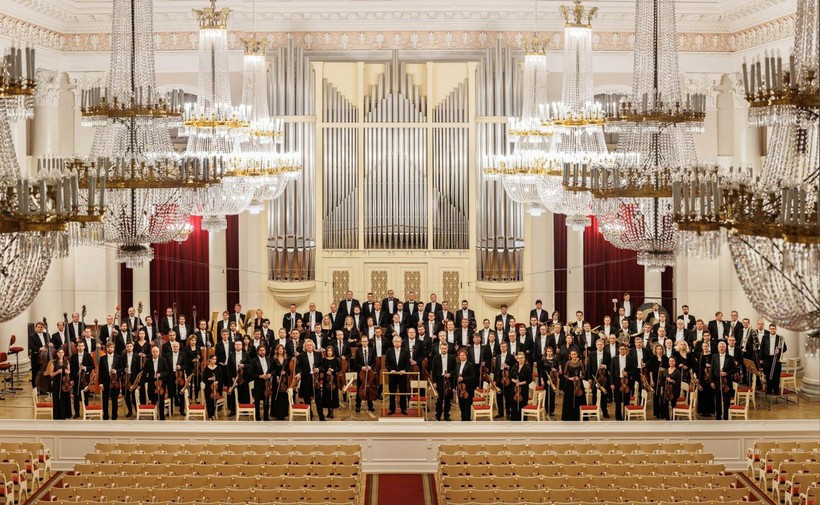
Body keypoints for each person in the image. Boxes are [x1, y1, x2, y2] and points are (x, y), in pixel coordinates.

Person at [295, 340, 325, 421]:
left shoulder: (318, 354)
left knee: (318, 398)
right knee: (307, 398)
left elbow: (322, 365)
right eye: (307, 345)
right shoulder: (301, 355)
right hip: (306, 378)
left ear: (313, 346)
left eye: (310, 345)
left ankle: (321, 416)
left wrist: (318, 369)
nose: (309, 346)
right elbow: (298, 367)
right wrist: (298, 373)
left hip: (315, 378)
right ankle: (309, 416)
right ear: (305, 347)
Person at [142, 345, 169, 420]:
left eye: (156, 351)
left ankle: (162, 416)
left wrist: (160, 374)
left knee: (161, 401)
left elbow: (167, 371)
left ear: (159, 352)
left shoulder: (163, 360)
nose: (155, 353)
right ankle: (154, 416)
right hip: (151, 384)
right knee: (153, 400)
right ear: (151, 352)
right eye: (153, 352)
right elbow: (144, 373)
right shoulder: (148, 361)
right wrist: (140, 384)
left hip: (160, 384)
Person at [711, 341, 736, 421]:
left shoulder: (730, 357)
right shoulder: (714, 357)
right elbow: (712, 370)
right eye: (720, 347)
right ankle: (718, 417)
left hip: (727, 382)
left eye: (723, 347)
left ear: (725, 348)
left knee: (726, 400)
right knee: (718, 399)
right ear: (718, 348)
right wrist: (712, 381)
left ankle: (726, 417)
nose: (721, 348)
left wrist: (726, 373)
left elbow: (734, 370)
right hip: (717, 381)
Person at [98, 341, 123, 420]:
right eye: (108, 347)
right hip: (105, 381)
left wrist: (116, 371)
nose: (110, 348)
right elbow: (100, 372)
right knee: (105, 400)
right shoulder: (102, 358)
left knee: (114, 400)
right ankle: (105, 416)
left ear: (114, 348)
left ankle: (114, 416)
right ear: (106, 348)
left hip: (115, 382)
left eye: (111, 347)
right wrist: (100, 383)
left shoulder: (118, 357)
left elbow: (122, 369)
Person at [610, 343, 635, 421]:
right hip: (617, 380)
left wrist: (627, 373)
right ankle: (618, 417)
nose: (622, 350)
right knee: (617, 400)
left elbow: (634, 371)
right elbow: (612, 372)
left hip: (627, 381)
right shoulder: (614, 359)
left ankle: (626, 416)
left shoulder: (630, 359)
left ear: (626, 350)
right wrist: (612, 383)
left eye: (623, 349)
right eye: (621, 349)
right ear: (618, 350)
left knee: (626, 400)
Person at [385, 336, 410, 415]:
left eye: (398, 341)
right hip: (392, 375)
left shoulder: (405, 351)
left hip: (402, 376)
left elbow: (408, 364)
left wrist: (404, 370)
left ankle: (403, 409)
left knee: (403, 392)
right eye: (395, 341)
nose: (397, 343)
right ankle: (392, 409)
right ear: (393, 343)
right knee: (392, 393)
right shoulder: (389, 351)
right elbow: (387, 363)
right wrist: (390, 370)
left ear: (401, 343)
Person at [431, 342, 455, 421]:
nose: (444, 350)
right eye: (442, 348)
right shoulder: (436, 357)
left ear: (447, 349)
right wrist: (434, 382)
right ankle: (438, 415)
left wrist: (450, 374)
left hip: (448, 381)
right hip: (439, 380)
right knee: (439, 399)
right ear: (440, 349)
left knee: (448, 399)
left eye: (445, 348)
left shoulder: (452, 357)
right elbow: (433, 371)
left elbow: (455, 370)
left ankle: (446, 415)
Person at [70, 340, 94, 418]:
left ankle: (86, 412)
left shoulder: (88, 355)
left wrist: (85, 368)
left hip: (85, 379)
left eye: (82, 346)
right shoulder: (73, 357)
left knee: (86, 396)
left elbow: (92, 366)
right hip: (76, 378)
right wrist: (72, 380)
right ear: (77, 347)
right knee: (76, 396)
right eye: (79, 346)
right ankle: (77, 413)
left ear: (84, 347)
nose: (80, 347)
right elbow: (72, 369)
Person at [45, 348, 71, 420]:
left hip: (65, 383)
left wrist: (67, 372)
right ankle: (57, 416)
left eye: (62, 352)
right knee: (57, 399)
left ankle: (64, 415)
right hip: (57, 383)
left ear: (64, 353)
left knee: (64, 399)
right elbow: (51, 374)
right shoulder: (53, 362)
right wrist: (57, 372)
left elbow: (69, 371)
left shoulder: (67, 362)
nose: (61, 354)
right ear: (57, 353)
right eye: (59, 352)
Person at [248, 345, 273, 421]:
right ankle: (257, 417)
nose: (262, 352)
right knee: (257, 401)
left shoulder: (269, 359)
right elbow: (250, 374)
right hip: (258, 383)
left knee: (266, 400)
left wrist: (270, 374)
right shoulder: (253, 361)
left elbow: (272, 370)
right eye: (261, 350)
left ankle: (266, 417)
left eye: (263, 350)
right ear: (258, 352)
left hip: (266, 383)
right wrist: (259, 376)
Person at [587, 338, 610, 418]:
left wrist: (605, 366)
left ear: (603, 345)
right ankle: (594, 411)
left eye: (601, 344)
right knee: (594, 395)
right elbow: (589, 367)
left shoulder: (607, 354)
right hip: (594, 377)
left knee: (604, 395)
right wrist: (589, 378)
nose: (600, 346)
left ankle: (605, 412)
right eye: (598, 344)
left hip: (604, 378)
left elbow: (610, 365)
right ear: (596, 346)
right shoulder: (592, 354)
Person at [760, 324, 787, 394]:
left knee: (776, 375)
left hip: (776, 359)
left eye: (774, 329)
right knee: (768, 375)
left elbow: (785, 348)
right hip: (767, 359)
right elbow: (762, 348)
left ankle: (776, 390)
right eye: (771, 329)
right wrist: (761, 358)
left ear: (776, 329)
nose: (772, 330)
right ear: (769, 329)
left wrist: (779, 351)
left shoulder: (780, 338)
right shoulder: (765, 337)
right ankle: (769, 389)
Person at [354, 335, 377, 413]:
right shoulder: (358, 351)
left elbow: (374, 362)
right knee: (360, 388)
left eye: (365, 341)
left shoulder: (372, 350)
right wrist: (362, 367)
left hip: (369, 373)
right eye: (363, 341)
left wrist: (370, 367)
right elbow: (355, 362)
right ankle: (358, 405)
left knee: (369, 388)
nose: (364, 343)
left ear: (367, 342)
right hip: (361, 373)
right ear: (361, 342)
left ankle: (370, 405)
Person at [165, 340, 189, 417]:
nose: (175, 347)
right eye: (174, 346)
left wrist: (181, 367)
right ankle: (171, 410)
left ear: (179, 347)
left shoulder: (183, 354)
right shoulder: (167, 355)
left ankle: (182, 410)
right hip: (171, 376)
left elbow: (186, 366)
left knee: (181, 393)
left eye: (177, 346)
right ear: (172, 347)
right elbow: (166, 366)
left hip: (180, 376)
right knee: (171, 394)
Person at [227, 340, 250, 417]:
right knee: (232, 394)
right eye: (236, 344)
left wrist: (244, 366)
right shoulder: (231, 355)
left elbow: (250, 365)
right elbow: (229, 368)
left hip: (243, 378)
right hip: (234, 377)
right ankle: (233, 410)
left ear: (242, 346)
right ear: (234, 346)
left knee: (244, 393)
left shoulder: (246, 354)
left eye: (239, 344)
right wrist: (232, 377)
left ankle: (244, 410)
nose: (238, 346)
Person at [561, 349, 585, 421]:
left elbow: (584, 374)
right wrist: (569, 378)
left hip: (578, 383)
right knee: (569, 399)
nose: (573, 356)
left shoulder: (580, 363)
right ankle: (569, 416)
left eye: (575, 354)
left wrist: (579, 377)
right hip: (570, 383)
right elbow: (564, 374)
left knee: (579, 399)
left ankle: (578, 416)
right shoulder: (568, 363)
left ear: (577, 355)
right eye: (572, 354)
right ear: (570, 355)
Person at [494, 341, 515, 419]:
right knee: (499, 395)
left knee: (508, 396)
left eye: (504, 346)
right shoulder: (498, 356)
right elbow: (496, 368)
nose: (502, 348)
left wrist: (508, 366)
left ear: (506, 347)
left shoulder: (511, 356)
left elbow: (514, 367)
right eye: (501, 346)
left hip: (507, 378)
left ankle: (508, 413)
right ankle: (500, 412)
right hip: (499, 378)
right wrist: (495, 380)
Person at [270, 344, 291, 420]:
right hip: (277, 379)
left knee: (283, 396)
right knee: (277, 396)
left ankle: (283, 414)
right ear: (277, 350)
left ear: (283, 350)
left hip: (284, 380)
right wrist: (277, 376)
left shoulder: (287, 358)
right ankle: (276, 414)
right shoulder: (273, 359)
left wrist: (285, 371)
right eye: (279, 349)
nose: (280, 350)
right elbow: (272, 369)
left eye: (281, 349)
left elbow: (289, 368)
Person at [537, 346, 559, 417]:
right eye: (548, 351)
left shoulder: (555, 360)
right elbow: (540, 371)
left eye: (550, 351)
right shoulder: (543, 360)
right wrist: (542, 380)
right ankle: (547, 411)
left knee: (553, 395)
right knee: (547, 395)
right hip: (546, 379)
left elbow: (558, 369)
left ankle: (552, 411)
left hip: (553, 379)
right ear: (545, 352)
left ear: (552, 352)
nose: (549, 353)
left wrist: (555, 370)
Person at [455, 348, 476, 421]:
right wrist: (455, 386)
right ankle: (463, 418)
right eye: (460, 355)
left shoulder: (470, 365)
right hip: (460, 388)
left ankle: (467, 419)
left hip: (467, 388)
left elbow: (473, 376)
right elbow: (456, 376)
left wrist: (463, 378)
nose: (462, 356)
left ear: (466, 356)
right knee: (461, 404)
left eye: (463, 355)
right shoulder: (458, 364)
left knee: (467, 405)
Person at [510, 352, 532, 421]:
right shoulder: (514, 367)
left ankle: (523, 419)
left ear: (524, 359)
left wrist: (521, 383)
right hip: (514, 389)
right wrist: (513, 380)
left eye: (521, 358)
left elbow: (530, 379)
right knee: (514, 403)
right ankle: (514, 419)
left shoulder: (527, 368)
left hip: (523, 389)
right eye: (518, 358)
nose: (520, 359)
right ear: (517, 359)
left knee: (523, 403)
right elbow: (510, 376)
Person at [649, 344, 669, 420]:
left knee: (663, 396)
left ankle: (663, 412)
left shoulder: (665, 358)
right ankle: (657, 413)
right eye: (658, 349)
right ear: (655, 350)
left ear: (662, 350)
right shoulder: (653, 358)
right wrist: (651, 380)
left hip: (664, 379)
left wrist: (664, 370)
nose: (659, 351)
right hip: (655, 379)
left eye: (660, 349)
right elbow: (650, 370)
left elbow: (668, 368)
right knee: (656, 396)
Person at [121, 341, 141, 417]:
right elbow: (121, 367)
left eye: (130, 346)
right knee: (126, 395)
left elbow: (139, 369)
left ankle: (137, 410)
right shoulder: (122, 357)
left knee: (134, 396)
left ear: (132, 347)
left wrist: (138, 380)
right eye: (127, 346)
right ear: (126, 348)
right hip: (125, 378)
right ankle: (130, 410)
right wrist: (124, 370)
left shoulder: (137, 357)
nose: (129, 348)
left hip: (134, 378)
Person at [29, 321, 51, 388]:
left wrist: (51, 343)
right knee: (35, 373)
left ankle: (43, 388)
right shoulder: (32, 336)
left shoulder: (47, 334)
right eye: (38, 327)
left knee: (44, 372)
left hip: (45, 357)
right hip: (36, 357)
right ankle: (35, 388)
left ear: (43, 328)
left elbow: (50, 342)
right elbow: (31, 346)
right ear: (36, 328)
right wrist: (40, 348)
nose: (40, 328)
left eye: (41, 327)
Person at [321, 346, 341, 419]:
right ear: (326, 352)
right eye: (328, 351)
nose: (329, 352)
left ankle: (332, 410)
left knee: (333, 395)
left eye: (330, 351)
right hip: (326, 379)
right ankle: (328, 410)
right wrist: (326, 371)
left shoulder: (336, 359)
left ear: (332, 352)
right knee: (327, 395)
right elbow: (321, 368)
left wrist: (333, 371)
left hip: (333, 380)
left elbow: (339, 368)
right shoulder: (323, 360)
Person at [697, 339, 715, 417]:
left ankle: (709, 411)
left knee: (709, 394)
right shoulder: (700, 355)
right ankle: (702, 411)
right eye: (704, 346)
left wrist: (710, 366)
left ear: (708, 347)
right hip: (702, 378)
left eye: (706, 346)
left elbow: (714, 366)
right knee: (702, 394)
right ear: (702, 347)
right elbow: (699, 367)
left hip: (709, 378)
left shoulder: (712, 356)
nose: (705, 347)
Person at [202, 354, 221, 420]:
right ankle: (209, 415)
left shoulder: (218, 368)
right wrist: (208, 379)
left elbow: (221, 378)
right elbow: (203, 379)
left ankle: (213, 414)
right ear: (209, 360)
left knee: (214, 401)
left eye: (215, 359)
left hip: (215, 388)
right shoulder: (206, 368)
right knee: (208, 402)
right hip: (208, 387)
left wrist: (217, 381)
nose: (214, 360)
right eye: (213, 359)